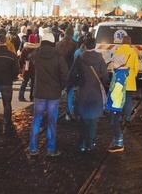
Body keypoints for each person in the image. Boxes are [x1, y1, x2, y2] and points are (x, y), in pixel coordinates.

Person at [29, 28, 68, 156]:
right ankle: (51, 149)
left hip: (39, 93)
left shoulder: (36, 55)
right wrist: (61, 87)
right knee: (52, 122)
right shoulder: (58, 56)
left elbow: (29, 59)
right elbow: (64, 75)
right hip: (53, 94)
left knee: (36, 120)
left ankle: (33, 148)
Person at [69, 37, 108, 152]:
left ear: (85, 46)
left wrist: (75, 84)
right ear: (95, 45)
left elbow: (72, 74)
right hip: (95, 93)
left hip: (83, 92)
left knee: (83, 119)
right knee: (94, 120)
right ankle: (90, 143)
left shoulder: (80, 57)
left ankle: (82, 143)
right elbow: (105, 76)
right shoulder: (100, 58)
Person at [113, 36, 139, 122]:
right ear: (129, 42)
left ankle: (119, 116)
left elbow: (115, 66)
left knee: (119, 98)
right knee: (128, 99)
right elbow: (137, 67)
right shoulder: (133, 52)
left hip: (119, 78)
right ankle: (127, 117)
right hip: (129, 78)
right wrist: (133, 75)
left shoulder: (117, 51)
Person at [18, 35, 39, 102]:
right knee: (33, 83)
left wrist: (21, 67)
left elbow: (21, 59)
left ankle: (21, 96)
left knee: (24, 82)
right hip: (34, 67)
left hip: (26, 67)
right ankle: (32, 97)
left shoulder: (25, 48)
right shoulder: (37, 49)